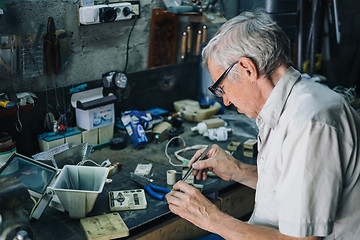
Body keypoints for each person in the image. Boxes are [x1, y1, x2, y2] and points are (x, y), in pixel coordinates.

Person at [166, 9, 360, 240]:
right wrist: (237, 170)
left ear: (248, 69)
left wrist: (210, 218)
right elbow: (295, 189)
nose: (225, 100)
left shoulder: (308, 123)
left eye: (222, 88)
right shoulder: (286, 103)